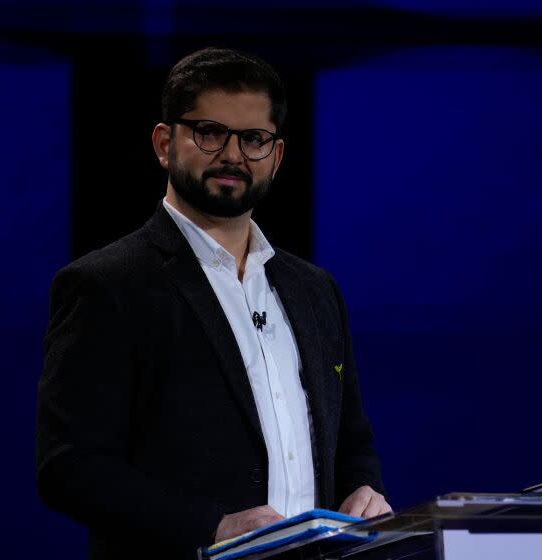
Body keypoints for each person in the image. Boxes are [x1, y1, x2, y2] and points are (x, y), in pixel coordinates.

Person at [36, 47, 389, 560]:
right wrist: (214, 526)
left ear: (278, 155)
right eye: (209, 133)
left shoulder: (315, 290)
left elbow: (351, 441)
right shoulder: (106, 285)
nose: (232, 155)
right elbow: (68, 467)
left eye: (253, 139)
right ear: (164, 143)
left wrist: (361, 490)